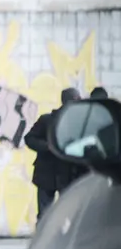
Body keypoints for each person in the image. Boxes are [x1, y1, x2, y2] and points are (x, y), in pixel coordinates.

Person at [24, 87, 82, 223]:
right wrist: (48, 147)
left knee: (63, 213)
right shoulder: (47, 120)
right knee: (48, 214)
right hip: (49, 173)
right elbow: (30, 139)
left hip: (66, 174)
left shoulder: (77, 122)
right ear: (73, 100)